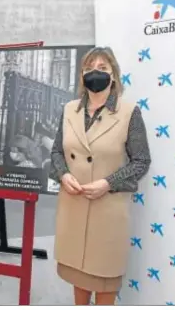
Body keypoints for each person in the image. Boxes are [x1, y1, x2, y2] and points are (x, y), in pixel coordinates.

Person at [49, 47, 151, 305]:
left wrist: (108, 183)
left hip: (107, 213)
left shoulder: (129, 113)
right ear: (82, 75)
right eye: (90, 68)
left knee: (104, 282)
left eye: (103, 68)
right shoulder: (69, 110)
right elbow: (56, 152)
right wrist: (63, 175)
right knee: (78, 281)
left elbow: (141, 161)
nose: (96, 73)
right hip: (73, 207)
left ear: (114, 76)